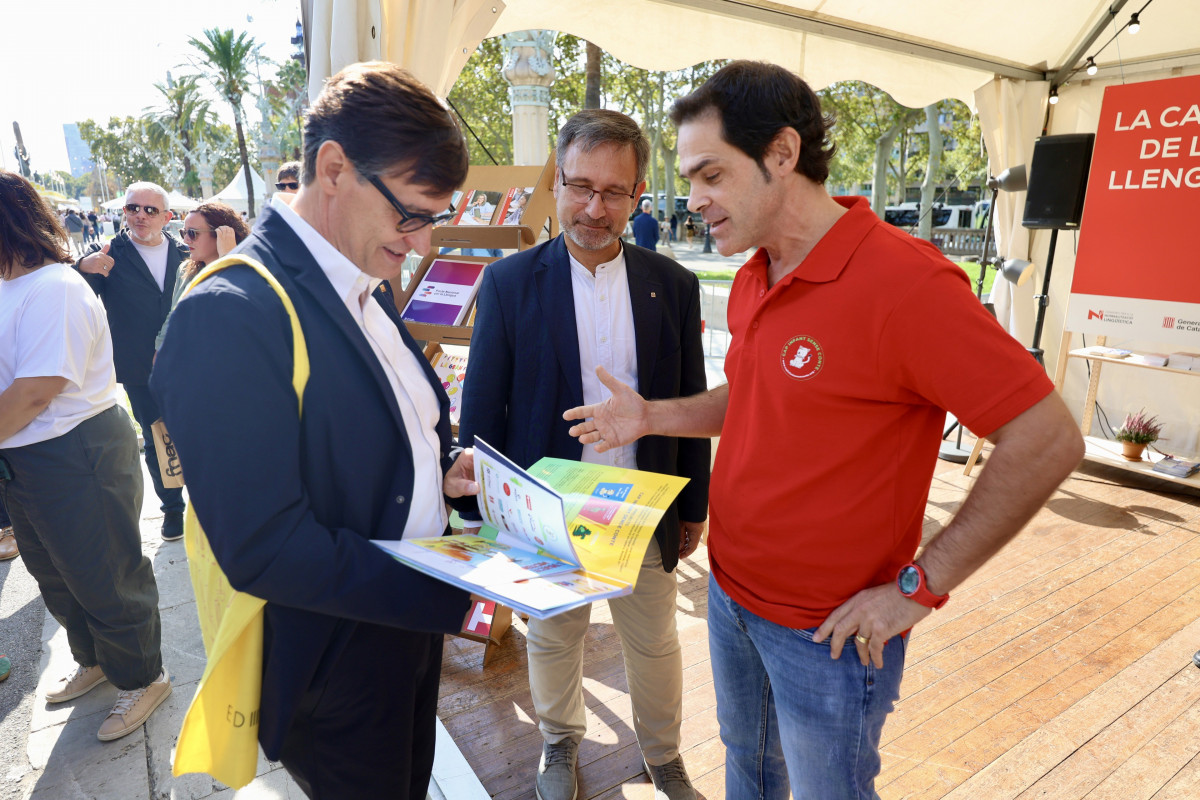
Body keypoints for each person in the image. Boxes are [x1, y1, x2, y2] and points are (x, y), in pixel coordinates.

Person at [563, 61, 1084, 800]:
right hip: (731, 600)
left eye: (711, 174)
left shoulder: (906, 283)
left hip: (829, 634)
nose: (694, 199)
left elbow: (1048, 438)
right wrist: (653, 416)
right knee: (747, 770)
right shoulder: (757, 271)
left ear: (781, 153)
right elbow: (754, 395)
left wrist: (918, 587)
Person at [150, 62, 479, 799]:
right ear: (333, 169)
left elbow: (368, 431)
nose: (423, 243)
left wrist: (440, 467)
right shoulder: (229, 313)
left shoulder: (356, 275)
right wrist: (452, 590)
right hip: (337, 660)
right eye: (412, 215)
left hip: (401, 626)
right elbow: (264, 545)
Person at [458, 109, 710, 800]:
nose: (594, 209)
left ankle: (663, 754)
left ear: (638, 194)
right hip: (549, 512)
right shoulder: (509, 284)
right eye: (580, 187)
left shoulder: (673, 285)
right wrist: (482, 515)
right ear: (558, 182)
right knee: (552, 637)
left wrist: (694, 505)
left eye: (613, 192)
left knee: (654, 642)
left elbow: (691, 401)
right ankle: (559, 742)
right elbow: (483, 406)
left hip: (644, 507)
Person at [0, 170, 170, 742]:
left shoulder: (55, 287)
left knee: (105, 573)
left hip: (74, 449)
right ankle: (96, 659)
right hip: (25, 455)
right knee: (55, 573)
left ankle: (143, 677)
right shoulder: (12, 286)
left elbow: (36, 389)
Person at [75, 183, 188, 541]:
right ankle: (173, 508)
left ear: (167, 217)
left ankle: (209, 498)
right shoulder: (108, 253)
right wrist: (81, 266)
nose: (140, 215)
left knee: (200, 430)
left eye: (150, 210)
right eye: (132, 208)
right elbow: (71, 293)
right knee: (158, 438)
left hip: (192, 362)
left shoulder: (186, 251)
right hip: (141, 367)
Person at [154, 201, 250, 351]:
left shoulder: (246, 270)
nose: (186, 240)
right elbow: (173, 316)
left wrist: (227, 260)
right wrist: (160, 348)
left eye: (193, 233)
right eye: (184, 232)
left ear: (220, 234)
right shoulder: (185, 270)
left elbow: (236, 316)